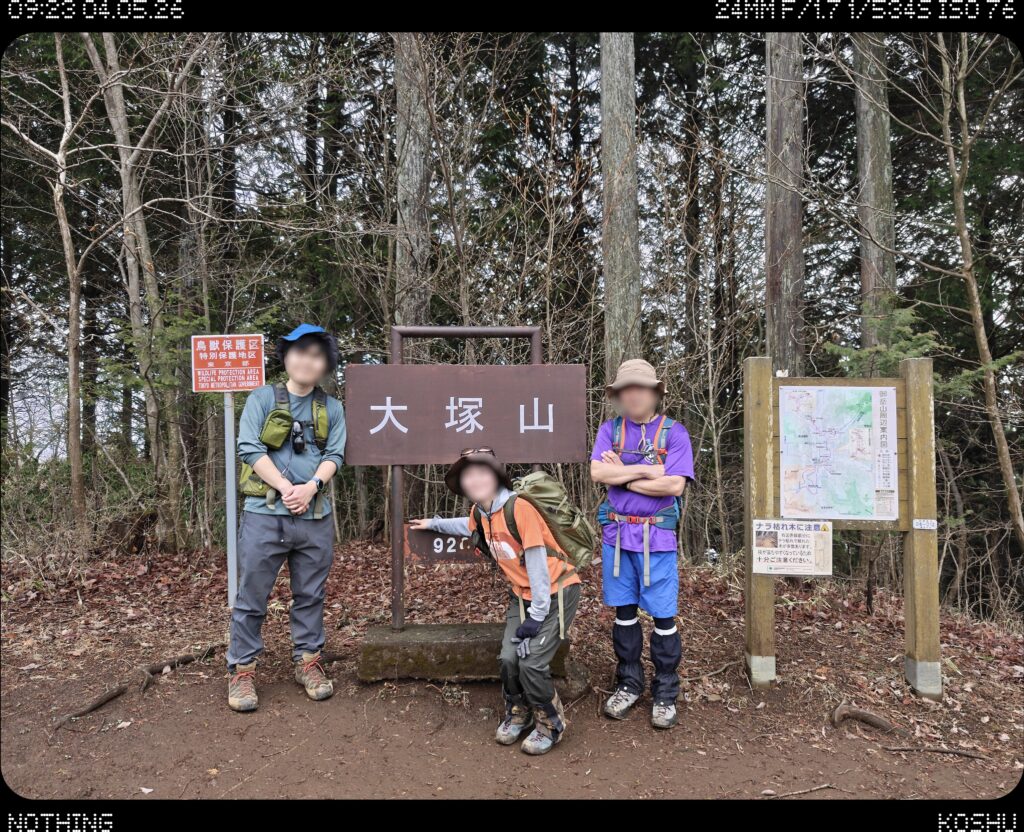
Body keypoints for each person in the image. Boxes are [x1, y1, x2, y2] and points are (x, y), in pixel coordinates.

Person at [410, 449, 581, 755]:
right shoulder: (481, 513)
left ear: (496, 476)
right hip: (521, 595)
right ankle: (518, 712)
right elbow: (466, 524)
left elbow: (540, 569)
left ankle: (550, 724)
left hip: (555, 593)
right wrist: (434, 523)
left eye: (482, 472)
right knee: (508, 658)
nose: (475, 480)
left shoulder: (521, 509)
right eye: (468, 475)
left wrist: (535, 618)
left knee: (532, 663)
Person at [225, 324, 347, 712]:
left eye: (316, 355)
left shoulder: (331, 407)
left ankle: (308, 661)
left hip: (315, 515)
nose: (307, 360)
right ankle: (242, 671)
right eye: (300, 351)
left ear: (325, 364)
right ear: (287, 356)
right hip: (265, 514)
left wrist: (310, 487)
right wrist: (284, 486)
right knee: (252, 596)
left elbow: (336, 455)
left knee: (310, 594)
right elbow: (249, 446)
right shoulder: (261, 398)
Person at [590, 359, 695, 729]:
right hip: (617, 537)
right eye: (625, 389)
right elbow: (598, 472)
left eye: (640, 388)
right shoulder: (610, 430)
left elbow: (674, 486)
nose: (633, 395)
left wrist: (624, 477)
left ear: (654, 391)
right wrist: (648, 470)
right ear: (619, 395)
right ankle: (629, 683)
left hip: (658, 538)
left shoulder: (674, 433)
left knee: (663, 618)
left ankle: (666, 691)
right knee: (624, 614)